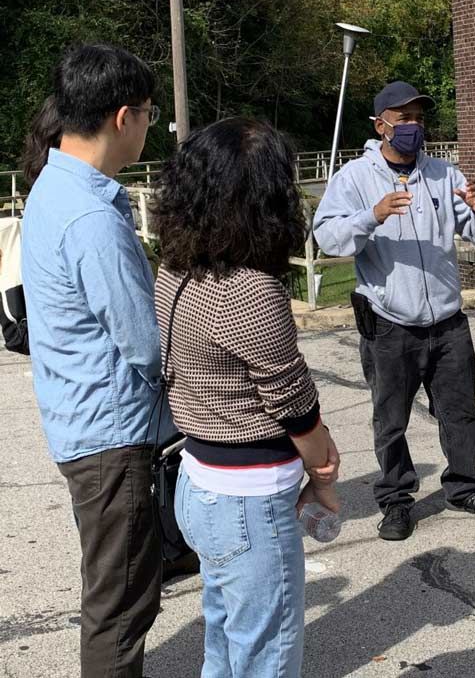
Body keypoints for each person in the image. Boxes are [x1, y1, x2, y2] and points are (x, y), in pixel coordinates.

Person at [152, 117, 341, 676]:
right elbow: (295, 405)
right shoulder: (250, 289)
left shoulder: (176, 269)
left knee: (226, 638)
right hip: (247, 499)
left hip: (200, 484)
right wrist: (326, 475)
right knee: (268, 652)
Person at [313, 80, 475, 542]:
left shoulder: (446, 174)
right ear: (380, 125)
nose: (413, 126)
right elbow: (328, 238)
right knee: (391, 419)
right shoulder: (355, 178)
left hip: (447, 322)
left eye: (419, 118)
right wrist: (372, 216)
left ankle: (464, 487)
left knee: (462, 412)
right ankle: (396, 501)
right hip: (389, 323)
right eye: (403, 119)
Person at [20, 44, 163, 677]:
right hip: (110, 438)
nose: (148, 130)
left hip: (80, 422)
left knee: (115, 590)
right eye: (150, 116)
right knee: (119, 607)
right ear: (123, 116)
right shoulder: (91, 219)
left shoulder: (52, 186)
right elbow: (144, 342)